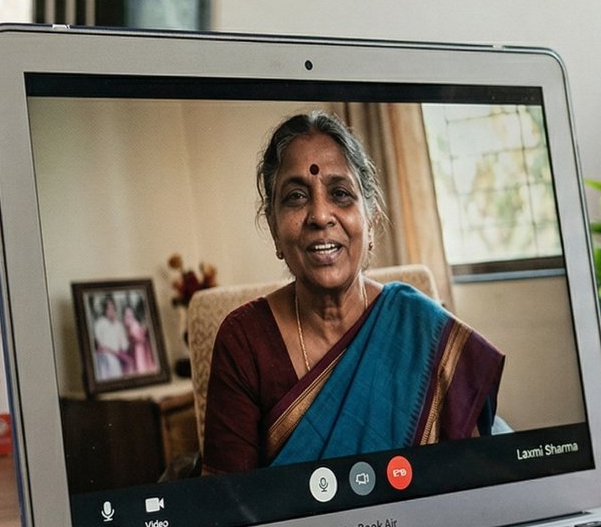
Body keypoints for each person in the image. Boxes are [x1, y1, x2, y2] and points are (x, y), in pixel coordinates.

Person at [201, 111, 507, 474]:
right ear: (273, 228)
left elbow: (474, 482)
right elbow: (230, 505)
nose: (320, 215)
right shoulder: (244, 341)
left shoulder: (421, 328)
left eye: (340, 194)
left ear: (371, 218)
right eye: (296, 197)